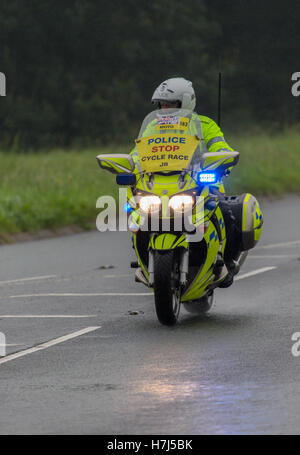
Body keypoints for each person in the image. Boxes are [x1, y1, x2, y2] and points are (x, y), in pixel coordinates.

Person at [132, 77, 241, 287]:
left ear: (185, 102)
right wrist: (130, 165)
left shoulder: (204, 124)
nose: (165, 109)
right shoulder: (153, 127)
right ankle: (144, 262)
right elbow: (137, 152)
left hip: (200, 183)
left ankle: (227, 262)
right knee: (136, 215)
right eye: (162, 105)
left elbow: (220, 145)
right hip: (161, 185)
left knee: (226, 212)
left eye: (170, 104)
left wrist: (223, 157)